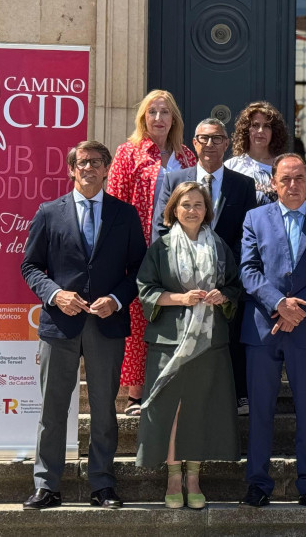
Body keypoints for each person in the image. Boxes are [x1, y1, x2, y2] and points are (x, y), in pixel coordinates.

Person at [20, 141, 146, 510]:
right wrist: (55, 294)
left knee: (105, 408)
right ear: (72, 169)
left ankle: (103, 485)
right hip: (61, 324)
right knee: (52, 408)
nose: (89, 167)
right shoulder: (49, 212)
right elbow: (30, 267)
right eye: (82, 162)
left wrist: (118, 299)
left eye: (96, 162)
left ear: (107, 169)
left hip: (106, 324)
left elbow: (138, 269)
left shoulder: (125, 214)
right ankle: (47, 484)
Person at [238, 153, 306, 509]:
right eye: (285, 179)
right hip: (262, 329)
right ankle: (257, 482)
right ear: (273, 183)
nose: (293, 185)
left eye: (299, 178)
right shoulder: (255, 218)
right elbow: (249, 270)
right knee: (261, 410)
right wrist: (278, 304)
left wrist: (298, 309)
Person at [136, 182, 242, 509]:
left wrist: (223, 295)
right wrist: (180, 298)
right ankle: (172, 478)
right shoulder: (161, 248)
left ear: (206, 210)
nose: (192, 210)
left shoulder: (220, 246)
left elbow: (236, 286)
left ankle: (193, 478)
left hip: (209, 342)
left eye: (198, 204)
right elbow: (145, 290)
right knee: (171, 411)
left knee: (199, 408)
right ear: (174, 210)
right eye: (186, 205)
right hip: (169, 341)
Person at [153, 118, 257, 417]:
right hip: (183, 282)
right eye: (204, 138)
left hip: (225, 281)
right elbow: (161, 230)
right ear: (194, 143)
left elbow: (246, 235)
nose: (210, 144)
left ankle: (237, 394)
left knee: (230, 336)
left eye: (217, 138)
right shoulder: (175, 179)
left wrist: (225, 277)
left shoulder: (243, 184)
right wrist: (176, 273)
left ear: (227, 143)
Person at [106, 90, 197, 416]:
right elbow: (113, 204)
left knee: (173, 317)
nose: (158, 118)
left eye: (165, 112)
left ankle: (168, 384)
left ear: (174, 119)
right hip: (139, 248)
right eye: (152, 112)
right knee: (139, 316)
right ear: (143, 118)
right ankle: (135, 393)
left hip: (179, 250)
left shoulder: (187, 157)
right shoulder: (129, 153)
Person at [226, 101, 291, 205]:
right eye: (255, 125)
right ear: (246, 130)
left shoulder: (284, 166)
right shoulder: (231, 166)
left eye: (267, 126)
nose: (260, 131)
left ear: (274, 131)